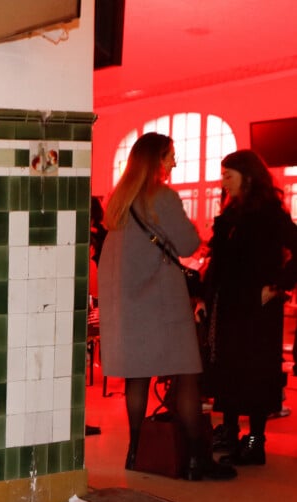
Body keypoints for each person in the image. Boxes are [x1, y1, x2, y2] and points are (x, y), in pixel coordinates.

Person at [98, 132, 236, 481]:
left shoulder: (119, 201)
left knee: (137, 376)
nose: (174, 162)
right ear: (157, 159)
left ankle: (135, 451)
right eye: (171, 155)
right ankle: (195, 460)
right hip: (162, 306)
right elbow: (189, 242)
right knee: (188, 373)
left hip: (129, 307)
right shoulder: (162, 196)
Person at [196, 149, 297, 465]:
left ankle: (255, 439)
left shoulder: (269, 212)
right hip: (228, 304)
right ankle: (228, 430)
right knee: (227, 368)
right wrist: (204, 296)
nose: (223, 181)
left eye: (229, 174)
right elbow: (219, 261)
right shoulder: (230, 213)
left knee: (254, 371)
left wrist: (279, 284)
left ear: (248, 176)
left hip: (257, 305)